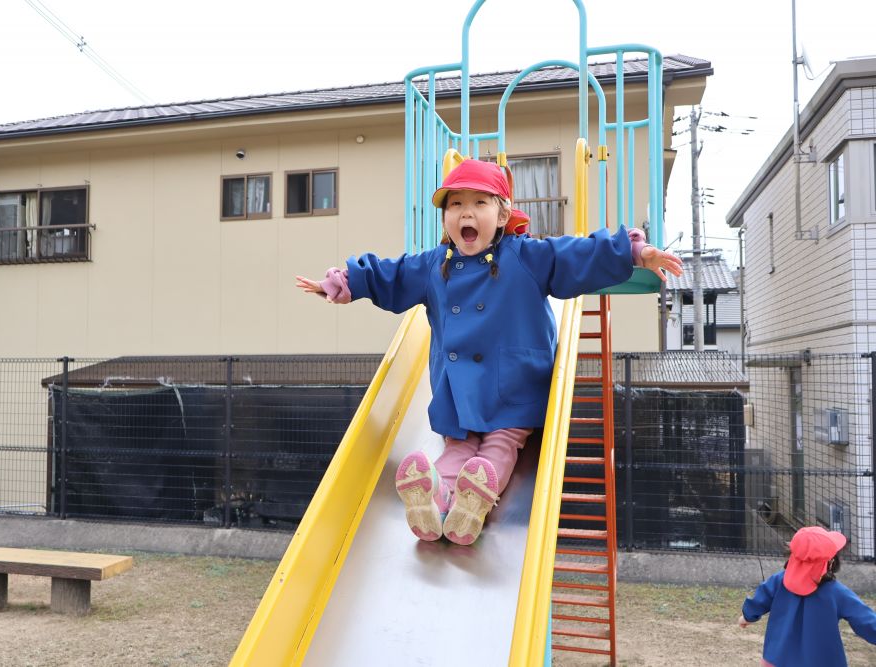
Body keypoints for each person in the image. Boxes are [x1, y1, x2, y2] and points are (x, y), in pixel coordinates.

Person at [295, 157, 682, 545]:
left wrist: (635, 251)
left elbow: (575, 253)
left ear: (501, 216)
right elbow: (389, 274)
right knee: (458, 446)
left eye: (480, 203)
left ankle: (475, 498)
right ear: (446, 219)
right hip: (458, 393)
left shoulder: (525, 256)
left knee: (500, 444)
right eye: (455, 205)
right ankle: (436, 499)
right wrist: (344, 282)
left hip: (512, 386)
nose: (466, 212)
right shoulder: (434, 265)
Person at [739, 526, 876, 667]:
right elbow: (865, 620)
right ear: (830, 562)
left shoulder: (778, 581)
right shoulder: (837, 593)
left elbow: (760, 599)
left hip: (777, 659)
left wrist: (747, 617)